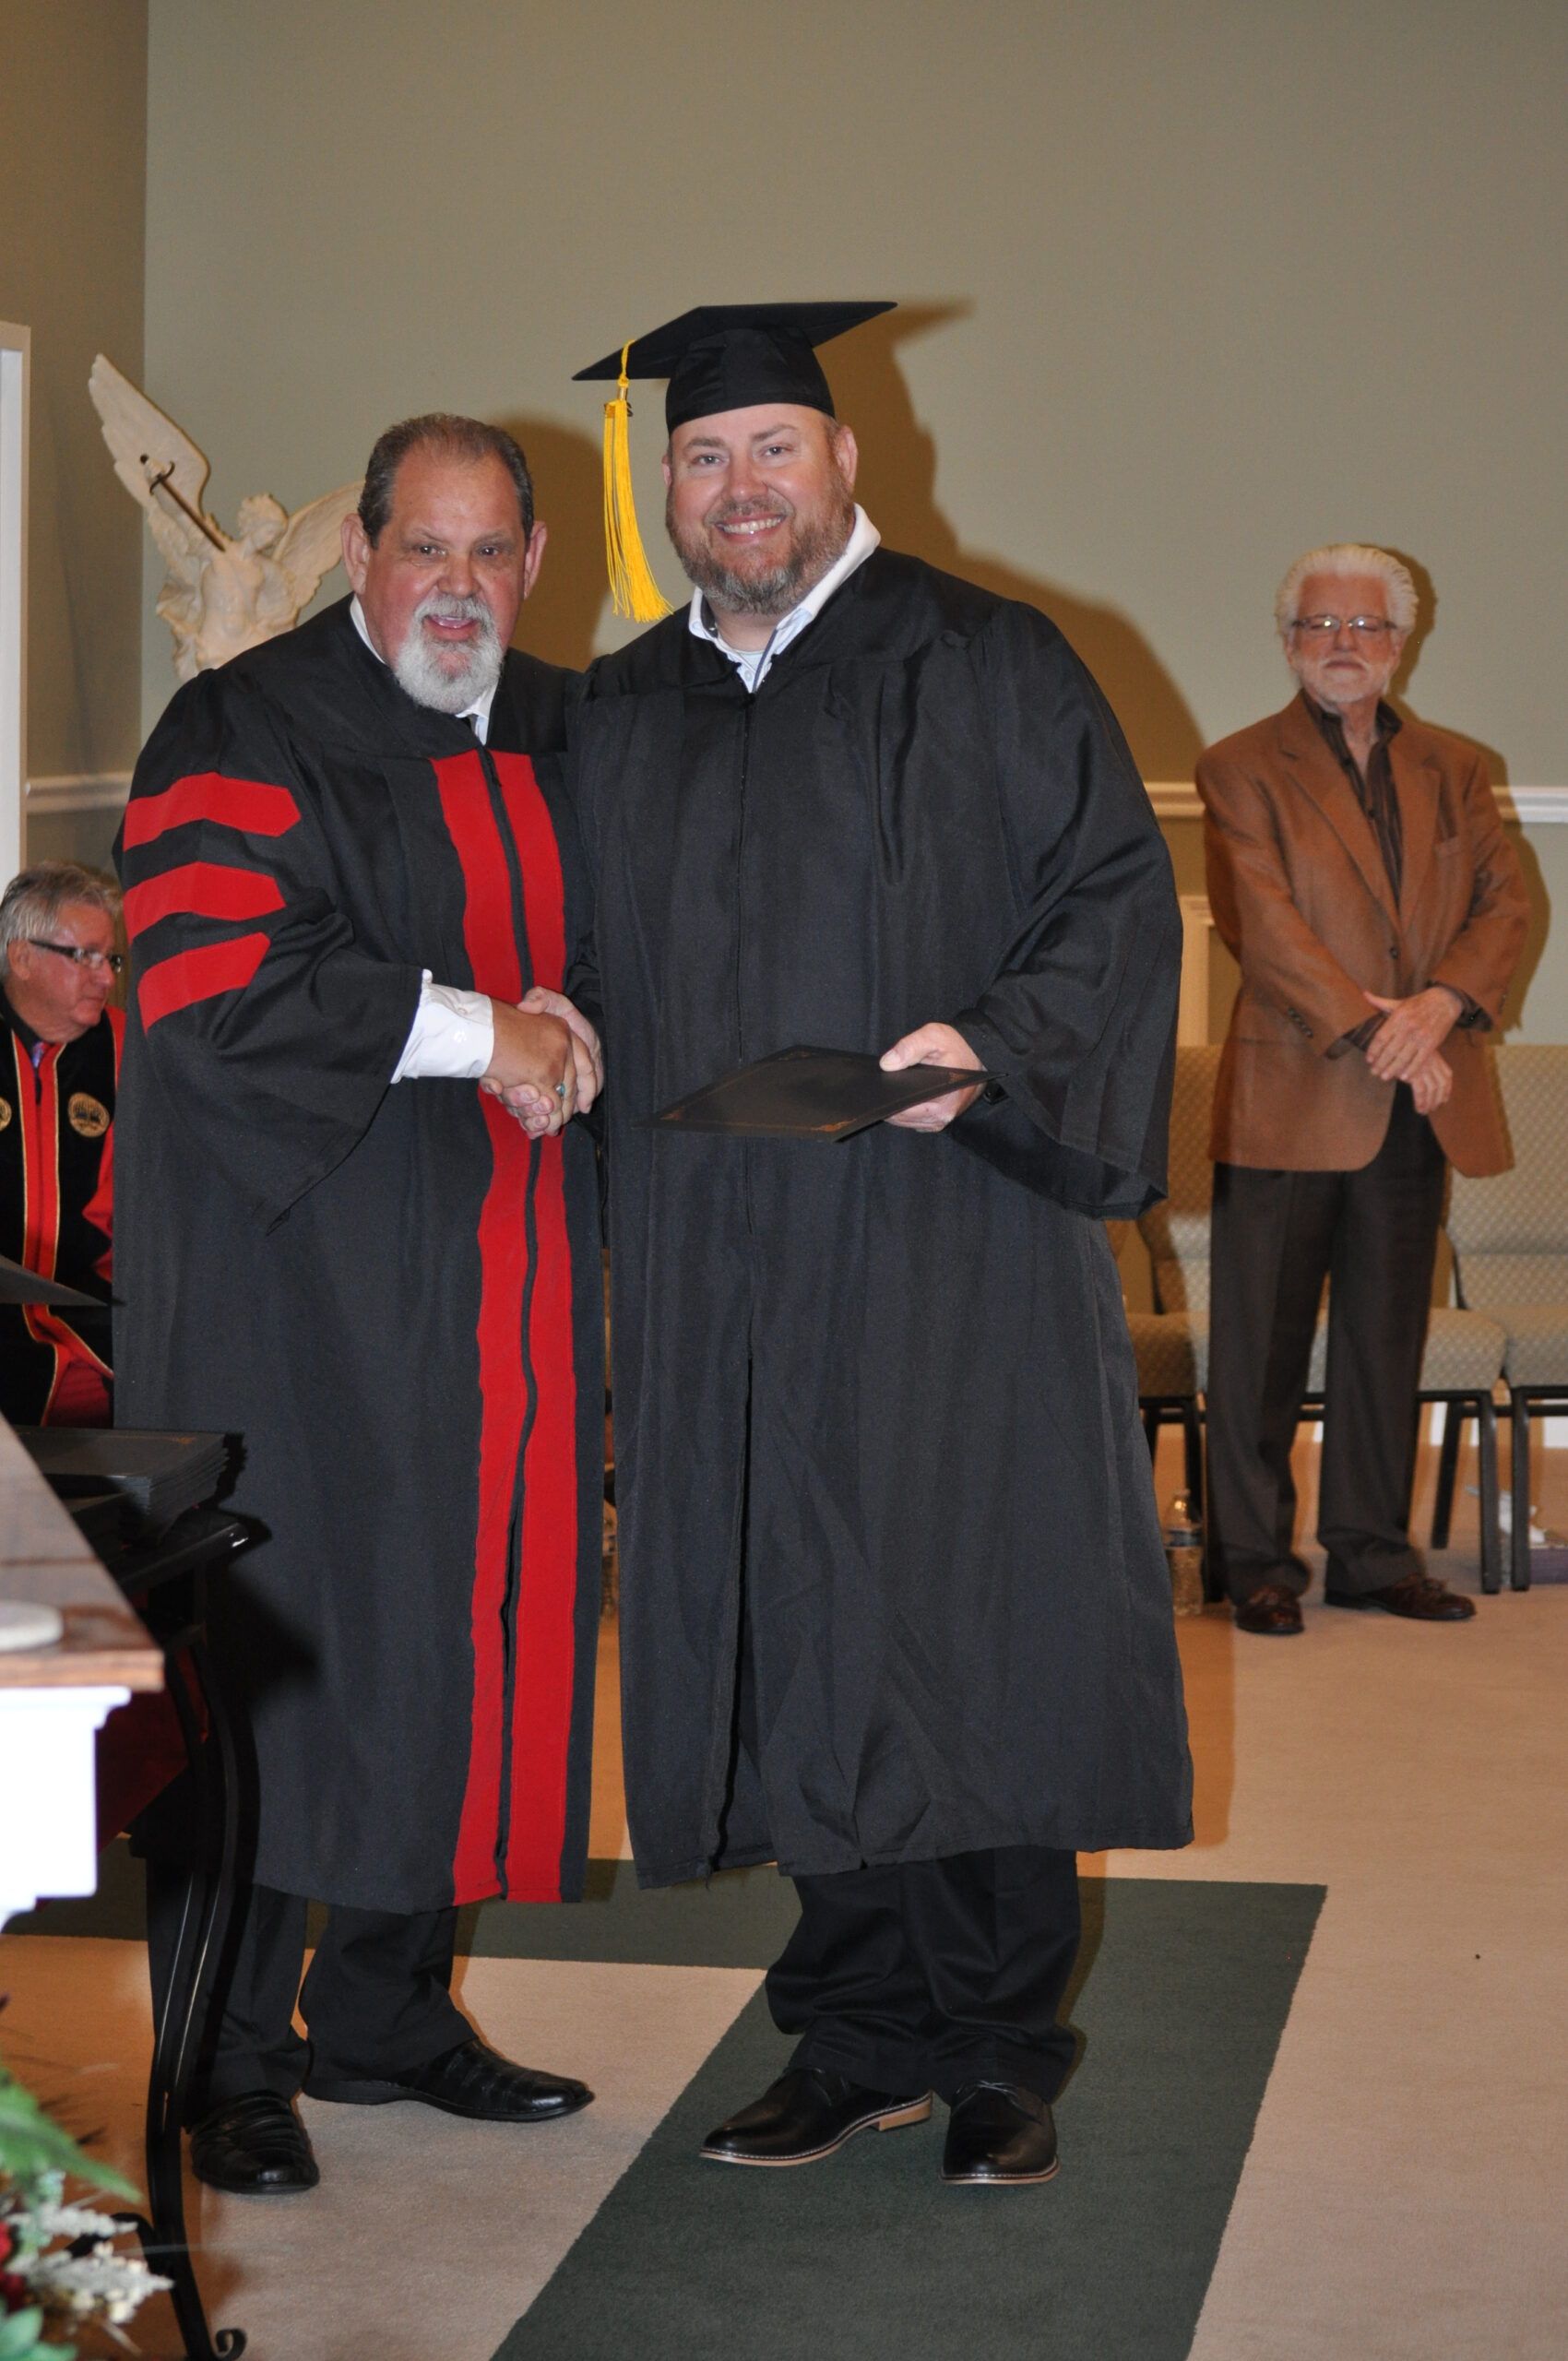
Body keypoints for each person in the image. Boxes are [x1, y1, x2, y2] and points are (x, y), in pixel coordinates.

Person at [561, 303, 1192, 2187]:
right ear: (667, 488)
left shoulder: (985, 659)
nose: (737, 487)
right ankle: (851, 2028)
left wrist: (986, 1047)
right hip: (721, 1249)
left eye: (771, 448)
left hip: (941, 1231)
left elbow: (1111, 895)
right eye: (702, 458)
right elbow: (571, 950)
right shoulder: (619, 706)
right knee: (785, 1631)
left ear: (846, 463)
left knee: (964, 1630)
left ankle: (1000, 2042)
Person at [114, 414, 606, 2198]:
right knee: (287, 1649)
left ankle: (394, 2012)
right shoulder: (242, 727)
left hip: (506, 1284)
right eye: (424, 550)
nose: (456, 591)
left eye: (490, 555)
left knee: (459, 1631)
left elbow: (617, 940)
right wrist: (493, 1031)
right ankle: (227, 2055)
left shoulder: (571, 727)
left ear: (534, 564)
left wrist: (579, 1014)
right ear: (359, 554)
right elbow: (215, 976)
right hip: (293, 1286)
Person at [1198, 543, 1528, 1636]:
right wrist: (1378, 1028)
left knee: (1386, 1338)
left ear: (1400, 642)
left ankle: (1371, 1555)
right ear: (1287, 641)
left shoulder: (1455, 767)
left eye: (1365, 628)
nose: (1344, 646)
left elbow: (1504, 908)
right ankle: (1250, 1559)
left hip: (1414, 1097)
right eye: (1321, 627)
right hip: (1291, 1093)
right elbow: (1263, 928)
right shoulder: (1238, 766)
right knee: (1260, 1345)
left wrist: (1436, 1006)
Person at [0, 863, 123, 1425]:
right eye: (86, 957)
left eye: (111, 959)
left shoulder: (130, 1051)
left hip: (99, 1333)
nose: (106, 978)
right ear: (22, 958)